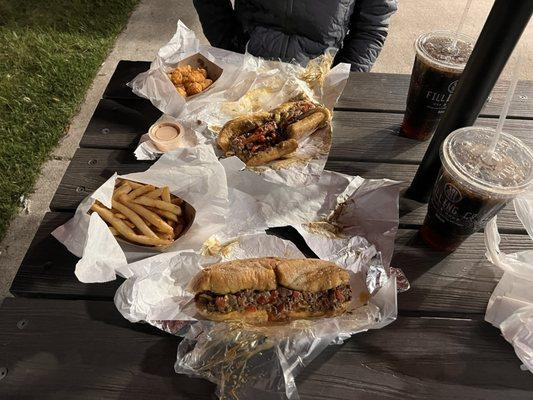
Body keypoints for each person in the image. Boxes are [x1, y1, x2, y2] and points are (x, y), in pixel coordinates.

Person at [193, 0, 398, 72]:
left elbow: (372, 26)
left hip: (319, 77)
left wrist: (343, 78)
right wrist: (230, 47)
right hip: (244, 69)